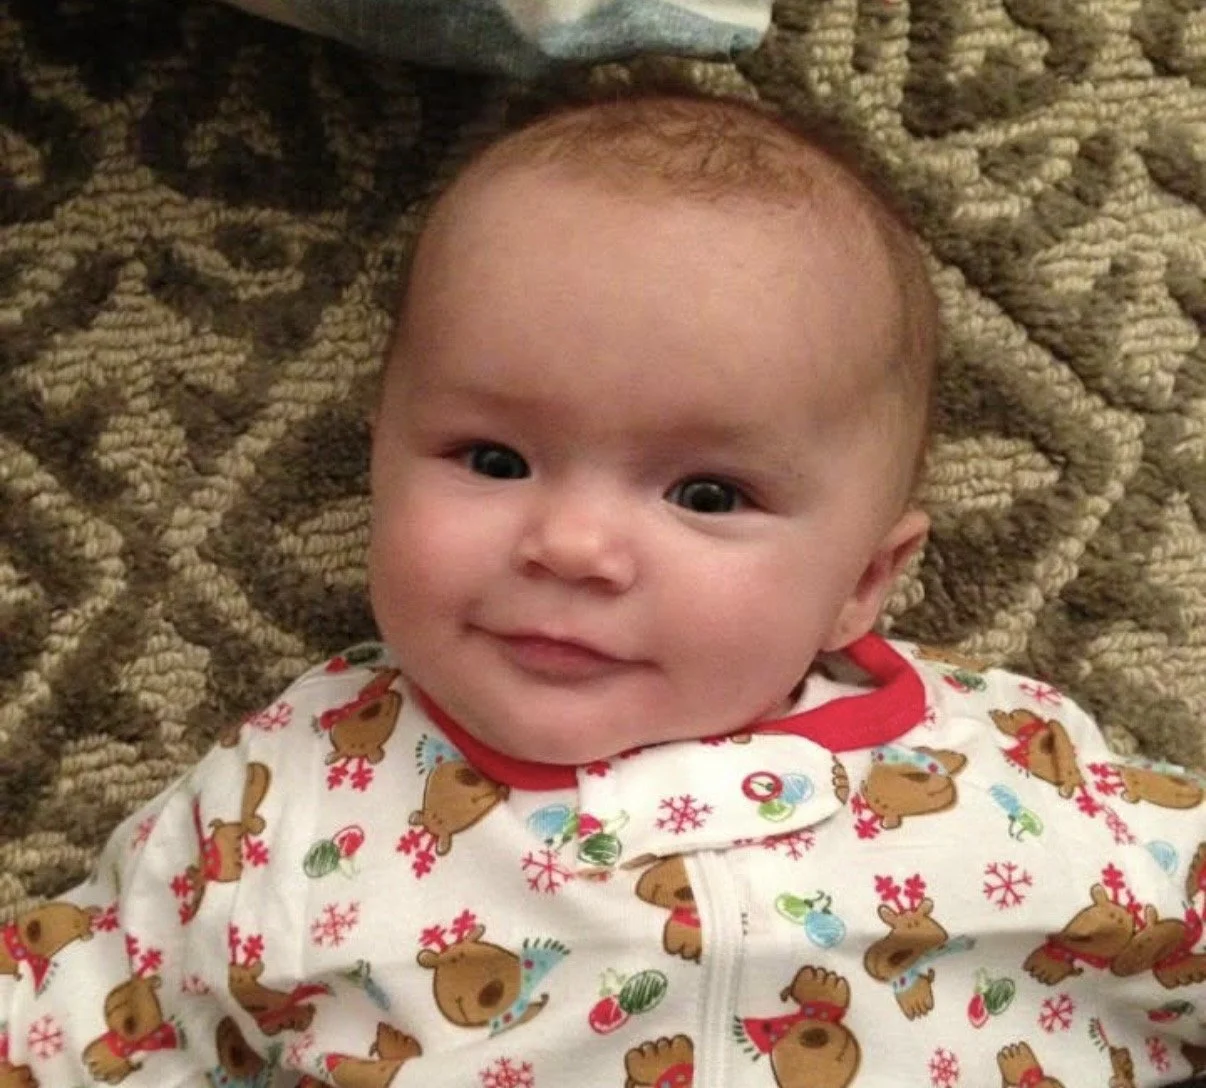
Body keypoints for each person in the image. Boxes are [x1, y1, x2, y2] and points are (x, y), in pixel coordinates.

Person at [2, 94, 1203, 1088]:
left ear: (862, 581)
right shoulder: (290, 794)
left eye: (707, 492)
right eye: (492, 459)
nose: (572, 544)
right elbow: (65, 1017)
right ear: (376, 464)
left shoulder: (1026, 772)